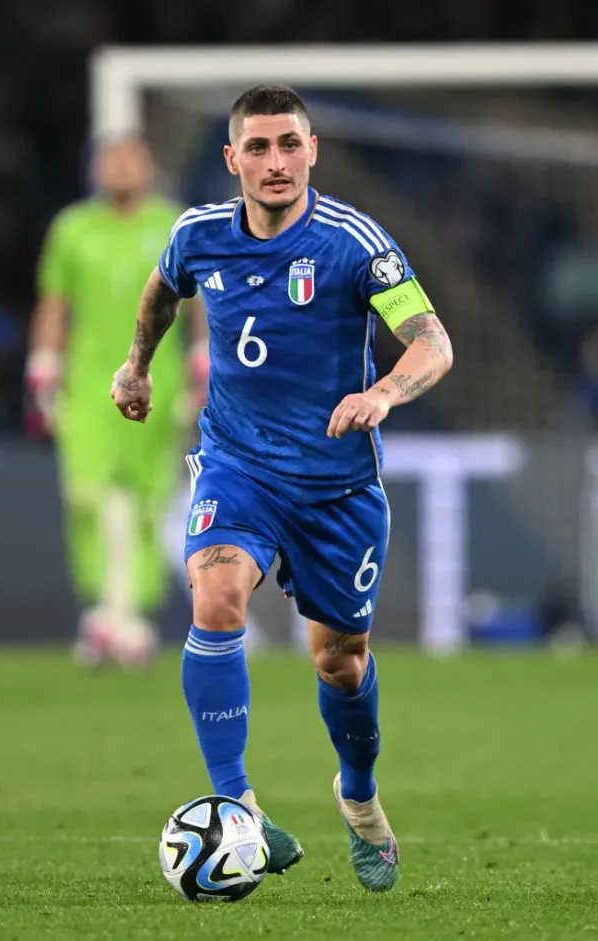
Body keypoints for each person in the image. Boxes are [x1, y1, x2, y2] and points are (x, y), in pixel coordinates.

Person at [110, 86, 453, 890]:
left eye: (289, 145)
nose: (275, 162)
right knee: (215, 595)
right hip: (238, 465)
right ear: (232, 159)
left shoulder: (352, 244)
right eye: (257, 148)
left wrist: (384, 393)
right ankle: (238, 806)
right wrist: (135, 364)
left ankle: (359, 796)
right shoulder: (199, 235)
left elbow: (431, 340)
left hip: (336, 489)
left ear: (313, 151)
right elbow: (164, 289)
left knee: (340, 661)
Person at [27, 137, 207, 666]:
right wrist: (43, 363)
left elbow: (197, 299)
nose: (121, 169)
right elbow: (55, 301)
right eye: (111, 160)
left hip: (159, 377)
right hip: (87, 382)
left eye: (131, 159)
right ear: (95, 169)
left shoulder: (174, 225)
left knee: (150, 500)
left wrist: (202, 358)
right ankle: (102, 609)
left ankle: (134, 617)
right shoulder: (73, 228)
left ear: (149, 168)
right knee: (88, 495)